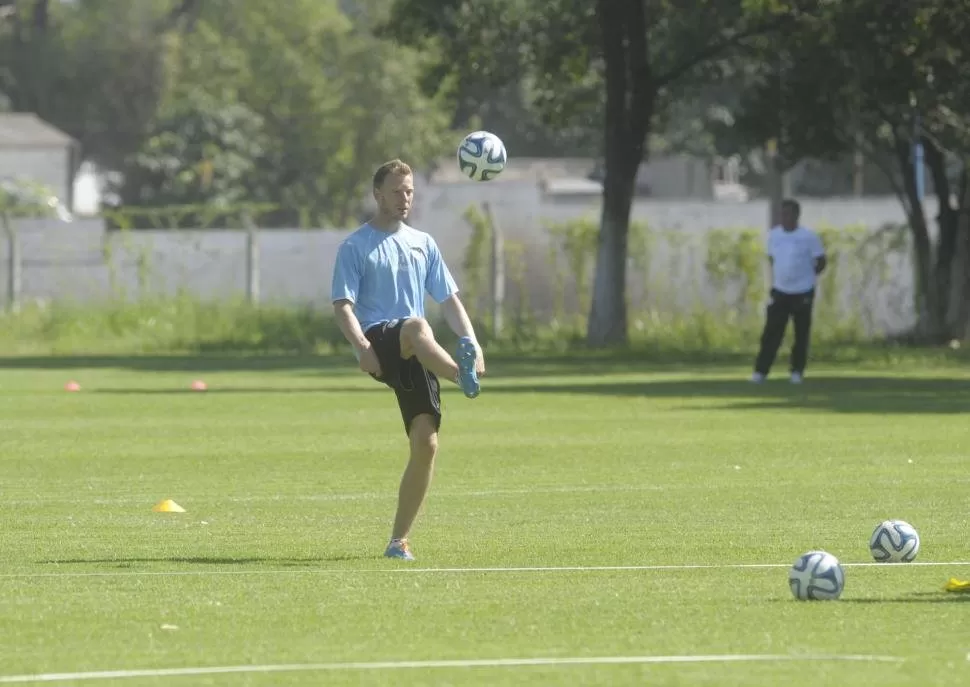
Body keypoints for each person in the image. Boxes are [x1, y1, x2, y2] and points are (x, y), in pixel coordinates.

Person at [330, 159, 485, 562]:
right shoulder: (355, 246)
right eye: (397, 191)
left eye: (410, 191)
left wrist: (472, 340)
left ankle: (398, 542)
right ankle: (460, 376)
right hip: (381, 339)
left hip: (418, 351)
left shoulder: (423, 243)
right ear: (378, 194)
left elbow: (449, 299)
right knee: (417, 326)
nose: (405, 198)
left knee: (426, 443)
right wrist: (362, 347)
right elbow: (343, 306)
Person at [751, 199, 827, 384]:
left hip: (803, 291)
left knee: (801, 333)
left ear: (796, 215)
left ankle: (796, 371)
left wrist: (807, 278)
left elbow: (821, 261)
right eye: (782, 214)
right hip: (780, 290)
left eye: (788, 214)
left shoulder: (808, 237)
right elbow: (772, 258)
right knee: (771, 332)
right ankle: (761, 372)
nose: (784, 218)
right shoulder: (774, 236)